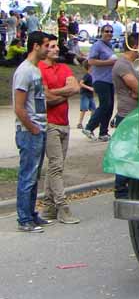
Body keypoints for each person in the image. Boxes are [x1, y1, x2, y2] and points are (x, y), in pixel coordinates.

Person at [38, 34, 81, 224]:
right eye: (52, 46)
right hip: (50, 124)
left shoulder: (63, 67)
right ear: (45, 48)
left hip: (64, 123)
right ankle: (63, 207)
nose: (56, 49)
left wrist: (56, 94)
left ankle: (48, 208)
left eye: (57, 46)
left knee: (56, 167)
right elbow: (45, 97)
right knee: (56, 166)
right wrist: (65, 93)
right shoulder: (40, 68)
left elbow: (76, 88)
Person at [13, 30, 52, 232]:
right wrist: (33, 128)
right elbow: (19, 107)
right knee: (27, 174)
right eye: (46, 45)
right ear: (36, 46)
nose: (49, 49)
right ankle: (24, 218)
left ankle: (31, 213)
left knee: (34, 174)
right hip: (30, 131)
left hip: (40, 127)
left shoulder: (36, 69)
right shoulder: (24, 71)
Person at [111, 33, 139, 198]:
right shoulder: (122, 65)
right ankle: (120, 189)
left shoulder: (131, 64)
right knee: (125, 152)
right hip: (127, 114)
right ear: (134, 46)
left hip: (133, 112)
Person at [82, 24, 116, 141]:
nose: (109, 34)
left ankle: (103, 132)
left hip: (110, 80)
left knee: (110, 106)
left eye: (111, 32)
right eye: (106, 31)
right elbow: (91, 61)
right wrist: (108, 62)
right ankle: (89, 127)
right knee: (105, 104)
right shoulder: (97, 45)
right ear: (101, 32)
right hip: (100, 80)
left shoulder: (110, 46)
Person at [78, 60, 96, 129]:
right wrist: (89, 88)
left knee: (94, 109)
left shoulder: (93, 75)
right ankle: (80, 123)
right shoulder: (87, 75)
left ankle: (91, 122)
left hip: (90, 95)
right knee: (84, 109)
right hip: (85, 94)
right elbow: (81, 83)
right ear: (89, 67)